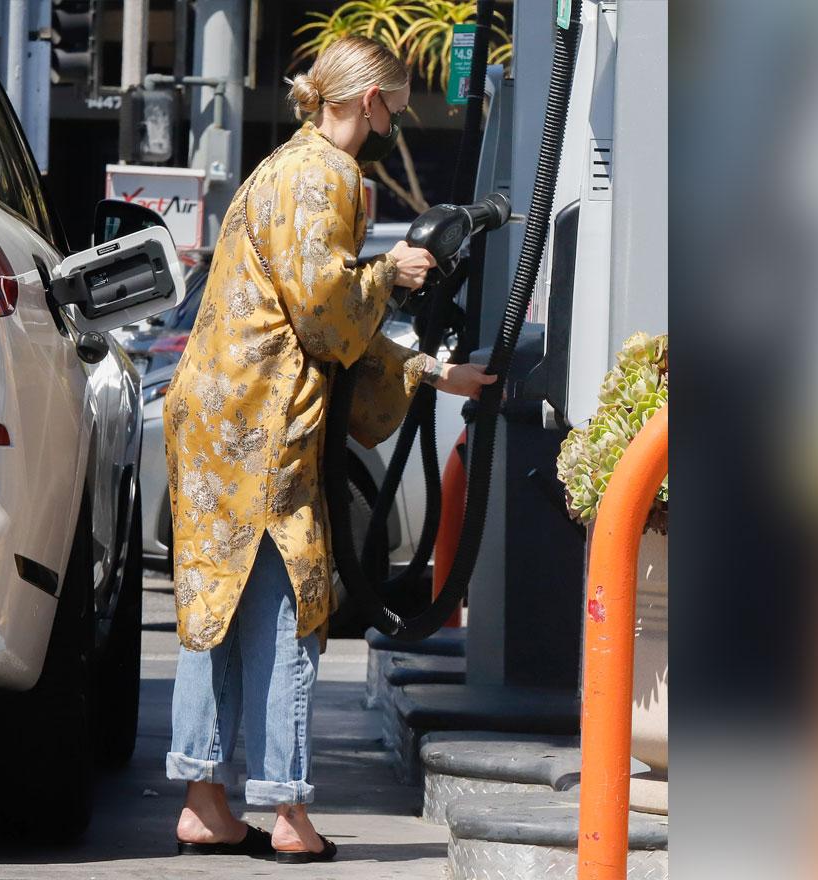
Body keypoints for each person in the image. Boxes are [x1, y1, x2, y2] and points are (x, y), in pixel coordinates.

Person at [163, 35, 496, 863]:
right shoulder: (327, 176)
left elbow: (308, 322)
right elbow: (327, 315)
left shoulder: (279, 167)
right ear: (362, 98)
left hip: (215, 419)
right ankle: (286, 813)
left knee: (216, 607)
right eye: (393, 102)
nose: (396, 119)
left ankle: (205, 799)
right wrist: (396, 272)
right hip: (263, 426)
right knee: (288, 610)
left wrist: (422, 368)